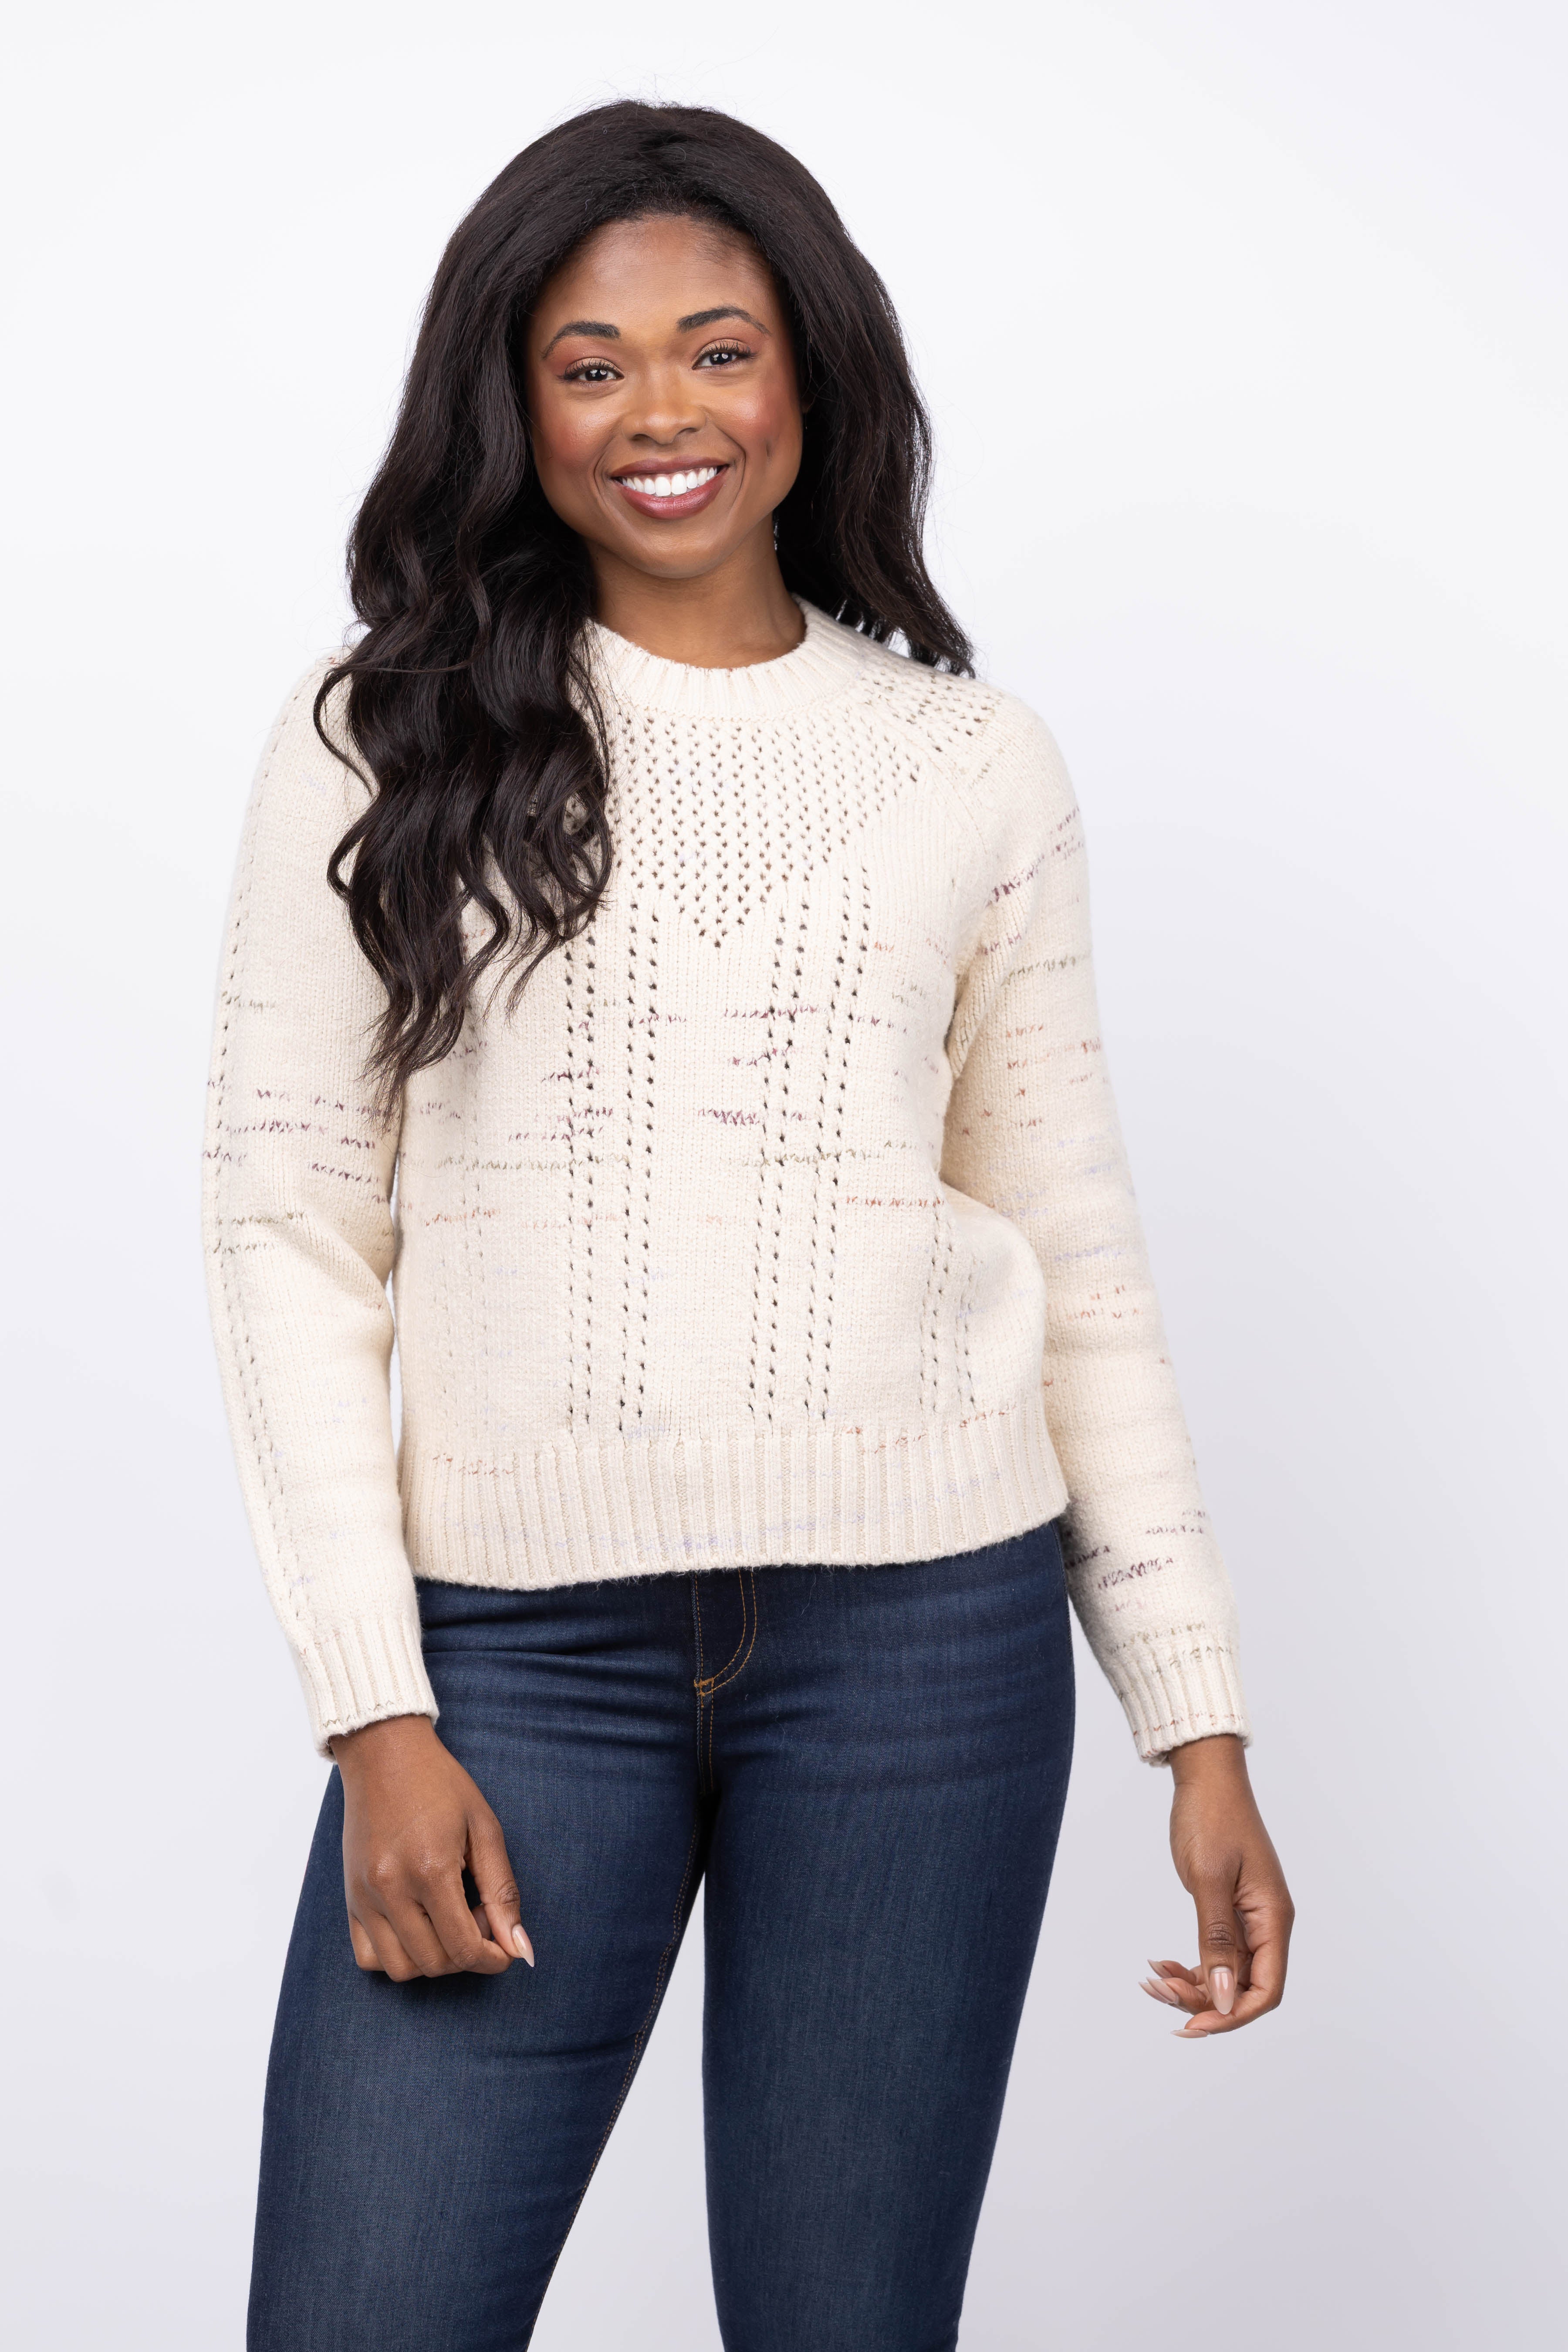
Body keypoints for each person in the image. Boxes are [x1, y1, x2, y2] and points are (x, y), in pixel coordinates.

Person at [204, 98, 1293, 2352]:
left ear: (811, 374)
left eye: (718, 348)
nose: (662, 412)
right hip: (518, 1665)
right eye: (590, 363)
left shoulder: (971, 764)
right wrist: (371, 1710)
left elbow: (1076, 1257)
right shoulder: (383, 737)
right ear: (513, 403)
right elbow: (290, 1230)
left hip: (928, 1655)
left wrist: (1197, 1725)